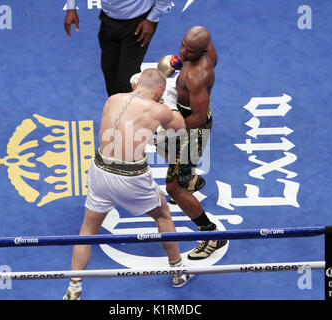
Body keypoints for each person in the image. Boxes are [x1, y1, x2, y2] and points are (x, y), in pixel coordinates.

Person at [63, 69, 191, 300]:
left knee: (87, 230)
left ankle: (74, 288)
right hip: (131, 177)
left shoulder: (112, 99)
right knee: (163, 215)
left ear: (136, 85)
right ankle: (178, 271)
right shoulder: (159, 108)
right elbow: (179, 129)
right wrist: (170, 103)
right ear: (159, 92)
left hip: (100, 171)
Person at [160, 26, 227, 260]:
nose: (182, 51)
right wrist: (181, 63)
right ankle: (190, 179)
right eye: (182, 45)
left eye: (188, 50)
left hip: (192, 128)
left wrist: (170, 126)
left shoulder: (199, 75)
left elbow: (197, 118)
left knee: (173, 188)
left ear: (201, 52)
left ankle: (211, 235)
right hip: (186, 115)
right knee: (165, 150)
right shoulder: (202, 50)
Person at [64, 0, 172, 96]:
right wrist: (71, 8)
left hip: (139, 22)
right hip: (108, 19)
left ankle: (131, 116)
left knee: (127, 80)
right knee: (110, 72)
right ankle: (117, 112)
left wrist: (152, 18)